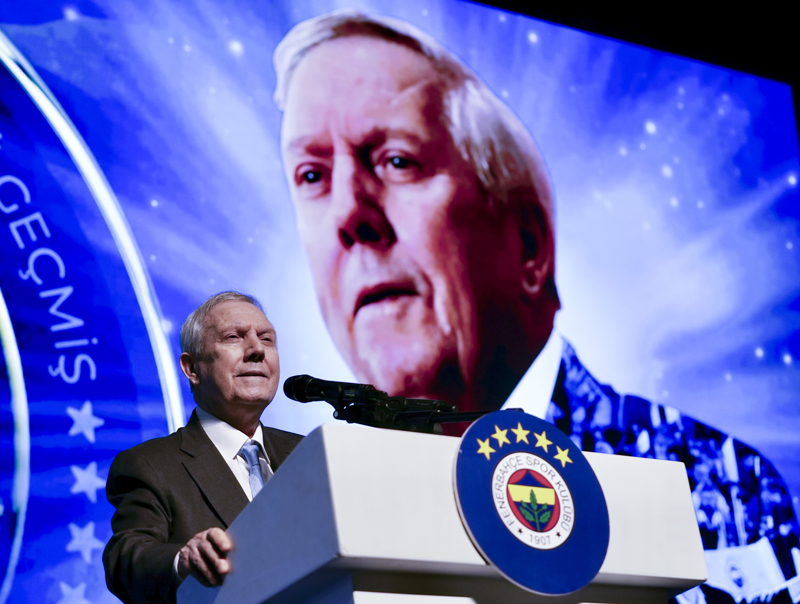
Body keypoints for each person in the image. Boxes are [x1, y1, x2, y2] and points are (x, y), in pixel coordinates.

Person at [273, 10, 799, 604]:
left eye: (398, 160)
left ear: (528, 243)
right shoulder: (304, 523)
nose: (348, 214)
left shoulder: (724, 486)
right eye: (311, 175)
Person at [103, 292, 303, 604]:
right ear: (191, 368)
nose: (257, 350)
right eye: (233, 337)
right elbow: (126, 557)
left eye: (267, 339)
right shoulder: (149, 465)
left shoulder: (308, 452)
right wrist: (181, 561)